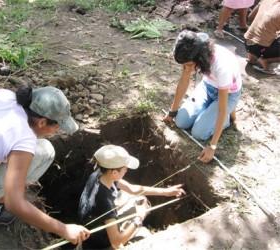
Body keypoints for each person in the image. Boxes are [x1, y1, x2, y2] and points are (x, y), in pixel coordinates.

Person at [0, 84, 90, 245]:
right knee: (45, 151)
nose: (56, 131)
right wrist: (63, 229)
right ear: (42, 122)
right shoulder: (24, 139)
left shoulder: (5, 97)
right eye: (56, 126)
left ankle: (1, 190)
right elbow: (13, 204)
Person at [78, 145, 186, 249]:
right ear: (114, 172)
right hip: (100, 245)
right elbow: (116, 243)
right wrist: (139, 217)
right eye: (125, 168)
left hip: (93, 230)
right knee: (145, 235)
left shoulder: (100, 174)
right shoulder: (105, 202)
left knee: (137, 198)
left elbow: (133, 189)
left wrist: (166, 192)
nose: (126, 170)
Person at [163, 30, 242, 164]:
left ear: (199, 58)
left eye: (188, 65)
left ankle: (228, 118)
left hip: (227, 94)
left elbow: (222, 108)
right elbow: (184, 82)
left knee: (198, 133)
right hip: (207, 87)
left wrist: (212, 146)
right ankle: (209, 112)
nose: (186, 68)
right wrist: (172, 111)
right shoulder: (193, 46)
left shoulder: (222, 67)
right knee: (181, 122)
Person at [244, 0, 280, 75]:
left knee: (262, 38)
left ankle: (253, 58)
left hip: (248, 43)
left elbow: (250, 17)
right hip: (261, 48)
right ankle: (266, 61)